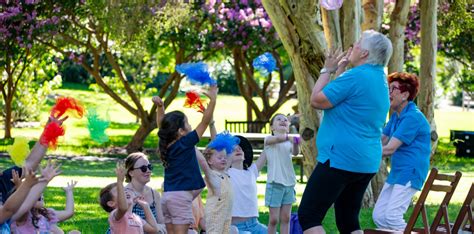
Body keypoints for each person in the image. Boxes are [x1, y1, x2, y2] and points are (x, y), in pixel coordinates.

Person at [298, 30, 393, 234]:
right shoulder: (379, 78)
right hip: (365, 161)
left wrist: (327, 69)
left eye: (358, 43)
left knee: (309, 215)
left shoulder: (356, 76)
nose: (354, 45)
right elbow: (343, 96)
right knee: (348, 220)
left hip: (340, 158)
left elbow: (317, 100)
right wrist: (340, 69)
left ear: (365, 54)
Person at [153, 85, 217, 234]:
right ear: (181, 132)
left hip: (167, 197)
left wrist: (160, 107)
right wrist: (213, 100)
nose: (190, 126)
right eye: (187, 123)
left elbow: (161, 126)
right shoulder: (185, 143)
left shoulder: (166, 145)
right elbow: (205, 122)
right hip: (180, 199)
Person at [372, 72, 431, 231]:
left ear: (405, 95)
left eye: (393, 89)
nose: (388, 93)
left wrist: (365, 155)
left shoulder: (412, 117)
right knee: (379, 216)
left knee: (392, 216)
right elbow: (381, 140)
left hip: (410, 172)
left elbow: (390, 148)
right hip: (398, 172)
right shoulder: (396, 116)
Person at [100, 161, 161, 234]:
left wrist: (146, 206)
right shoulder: (115, 216)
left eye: (124, 189)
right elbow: (123, 208)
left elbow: (154, 230)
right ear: (111, 203)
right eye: (120, 191)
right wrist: (120, 181)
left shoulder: (137, 218)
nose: (124, 191)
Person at [264, 113, 300, 234]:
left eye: (285, 120)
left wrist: (296, 142)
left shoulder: (289, 142)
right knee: (274, 219)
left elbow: (296, 152)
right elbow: (279, 139)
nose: (283, 121)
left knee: (286, 218)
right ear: (272, 128)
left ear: (288, 127)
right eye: (279, 119)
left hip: (289, 183)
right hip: (275, 183)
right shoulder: (268, 139)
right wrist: (290, 137)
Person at [197, 133, 239, 234]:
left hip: (226, 215)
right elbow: (202, 161)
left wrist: (212, 124)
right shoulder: (212, 175)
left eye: (224, 157)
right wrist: (191, 144)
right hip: (215, 215)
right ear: (210, 161)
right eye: (219, 158)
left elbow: (220, 144)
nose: (224, 159)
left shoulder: (224, 172)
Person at [7, 160, 62, 233]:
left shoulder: (42, 215)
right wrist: (20, 187)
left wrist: (44, 179)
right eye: (37, 197)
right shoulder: (20, 219)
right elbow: (24, 204)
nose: (40, 197)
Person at [229, 135, 268, 234]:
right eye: (233, 150)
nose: (238, 150)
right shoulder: (225, 173)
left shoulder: (252, 171)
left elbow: (267, 150)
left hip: (255, 225)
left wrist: (275, 135)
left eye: (240, 149)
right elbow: (216, 149)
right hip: (235, 228)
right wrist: (211, 124)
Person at [11, 180, 78, 233]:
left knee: (75, 232)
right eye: (36, 194)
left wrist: (69, 191)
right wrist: (19, 187)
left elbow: (68, 213)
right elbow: (23, 206)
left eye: (40, 193)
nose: (41, 194)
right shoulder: (22, 217)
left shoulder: (46, 214)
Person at [124, 152, 166, 228]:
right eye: (143, 168)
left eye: (149, 167)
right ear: (131, 173)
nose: (148, 171)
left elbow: (162, 222)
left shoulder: (154, 194)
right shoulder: (125, 194)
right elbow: (124, 224)